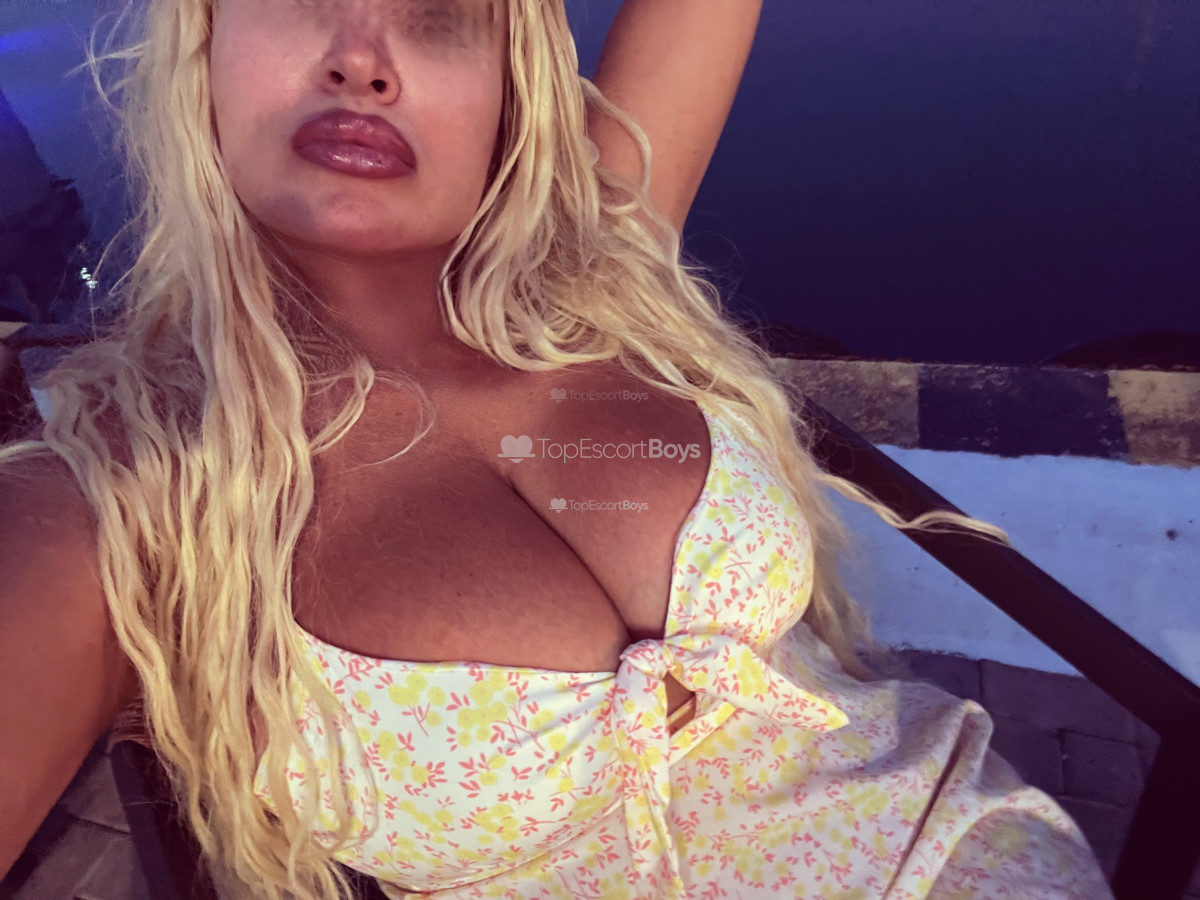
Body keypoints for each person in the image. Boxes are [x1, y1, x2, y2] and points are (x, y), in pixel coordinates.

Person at [0, 1, 1112, 898]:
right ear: (201, 46)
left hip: (970, 838)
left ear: (508, 92)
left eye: (440, 17)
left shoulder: (596, 264)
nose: (361, 60)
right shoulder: (130, 485)